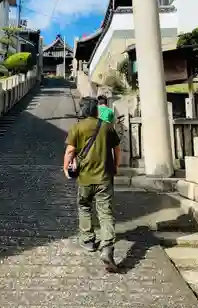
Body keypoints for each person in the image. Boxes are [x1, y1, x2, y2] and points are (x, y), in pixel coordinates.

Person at [63, 98, 120, 271]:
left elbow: (70, 151)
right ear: (96, 110)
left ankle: (88, 240)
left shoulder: (77, 127)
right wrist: (116, 166)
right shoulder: (107, 126)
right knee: (105, 211)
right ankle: (107, 246)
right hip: (104, 177)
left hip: (85, 177)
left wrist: (66, 168)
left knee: (84, 206)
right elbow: (116, 148)